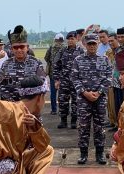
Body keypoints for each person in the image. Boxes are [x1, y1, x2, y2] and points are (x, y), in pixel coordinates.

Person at [71, 34, 112, 165]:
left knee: (99, 127)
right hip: (84, 99)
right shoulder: (78, 59)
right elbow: (74, 78)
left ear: (98, 43)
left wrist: (99, 92)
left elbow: (109, 78)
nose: (92, 46)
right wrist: (85, 92)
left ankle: (99, 154)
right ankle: (83, 154)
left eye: (94, 43)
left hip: (99, 99)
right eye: (89, 44)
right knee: (83, 127)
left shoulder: (104, 59)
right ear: (85, 44)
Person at [0, 25, 46, 102]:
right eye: (16, 47)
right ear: (12, 49)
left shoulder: (36, 63)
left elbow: (42, 83)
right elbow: (1, 84)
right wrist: (13, 103)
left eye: (22, 47)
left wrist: (27, 101)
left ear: (27, 47)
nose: (19, 50)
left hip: (30, 107)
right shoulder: (6, 64)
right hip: (11, 107)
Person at [53, 31, 85, 129]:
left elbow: (85, 66)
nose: (70, 41)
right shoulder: (62, 51)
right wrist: (57, 80)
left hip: (76, 82)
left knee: (76, 101)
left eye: (72, 39)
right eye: (69, 39)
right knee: (63, 101)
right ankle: (63, 121)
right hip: (64, 81)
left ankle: (74, 121)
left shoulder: (81, 51)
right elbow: (56, 65)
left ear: (76, 39)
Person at [44, 33, 65, 115]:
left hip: (53, 74)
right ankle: (62, 109)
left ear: (55, 40)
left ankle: (54, 110)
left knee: (53, 93)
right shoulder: (65, 48)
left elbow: (46, 58)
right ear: (63, 40)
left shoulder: (51, 48)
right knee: (63, 93)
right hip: (63, 74)